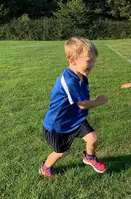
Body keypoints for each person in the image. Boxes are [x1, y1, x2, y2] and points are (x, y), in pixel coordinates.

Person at [40, 37, 108, 178]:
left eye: (94, 60)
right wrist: (98, 101)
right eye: (89, 61)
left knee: (93, 138)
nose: (93, 64)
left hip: (76, 119)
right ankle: (46, 167)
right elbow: (82, 104)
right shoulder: (69, 80)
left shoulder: (81, 75)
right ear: (72, 60)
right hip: (58, 125)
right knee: (60, 152)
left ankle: (89, 157)